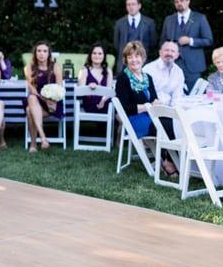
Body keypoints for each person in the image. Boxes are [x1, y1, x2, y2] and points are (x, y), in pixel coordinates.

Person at [115, 41, 177, 176]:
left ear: (142, 58)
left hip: (150, 116)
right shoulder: (123, 79)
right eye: (130, 57)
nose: (134, 60)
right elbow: (125, 108)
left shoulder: (147, 77)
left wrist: (157, 102)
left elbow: (153, 98)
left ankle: (170, 160)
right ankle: (169, 162)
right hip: (134, 120)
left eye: (137, 56)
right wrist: (147, 107)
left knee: (174, 123)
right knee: (168, 126)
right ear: (126, 60)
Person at [160, 0, 213, 91]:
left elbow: (209, 40)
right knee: (174, 95)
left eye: (182, 0)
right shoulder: (169, 20)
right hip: (172, 65)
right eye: (176, 1)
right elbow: (162, 42)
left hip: (193, 67)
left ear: (188, 1)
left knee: (194, 96)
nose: (179, 3)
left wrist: (190, 40)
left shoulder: (200, 18)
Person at [24, 41, 63, 153]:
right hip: (38, 100)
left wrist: (52, 100)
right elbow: (33, 89)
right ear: (35, 53)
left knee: (29, 110)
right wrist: (44, 100)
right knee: (31, 98)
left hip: (53, 102)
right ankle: (43, 137)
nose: (41, 54)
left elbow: (59, 87)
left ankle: (33, 144)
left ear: (48, 53)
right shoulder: (29, 67)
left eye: (45, 51)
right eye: (39, 51)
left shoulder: (55, 66)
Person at [113, 0, 157, 72]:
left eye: (133, 4)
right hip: (124, 65)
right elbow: (116, 44)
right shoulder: (119, 23)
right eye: (128, 5)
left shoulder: (149, 23)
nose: (131, 7)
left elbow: (153, 44)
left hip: (144, 65)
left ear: (139, 6)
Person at [143, 41, 185, 106]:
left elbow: (177, 95)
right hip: (151, 109)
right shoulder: (148, 69)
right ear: (160, 52)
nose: (169, 53)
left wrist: (173, 111)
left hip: (171, 110)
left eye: (172, 51)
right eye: (166, 50)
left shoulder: (179, 72)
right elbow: (144, 94)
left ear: (177, 55)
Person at [77, 43, 113, 113]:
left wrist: (102, 101)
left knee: (113, 102)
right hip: (90, 104)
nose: (97, 56)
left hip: (105, 102)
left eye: (100, 54)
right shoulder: (85, 70)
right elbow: (80, 90)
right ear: (90, 55)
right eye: (94, 53)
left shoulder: (108, 71)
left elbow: (109, 90)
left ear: (104, 56)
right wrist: (88, 88)